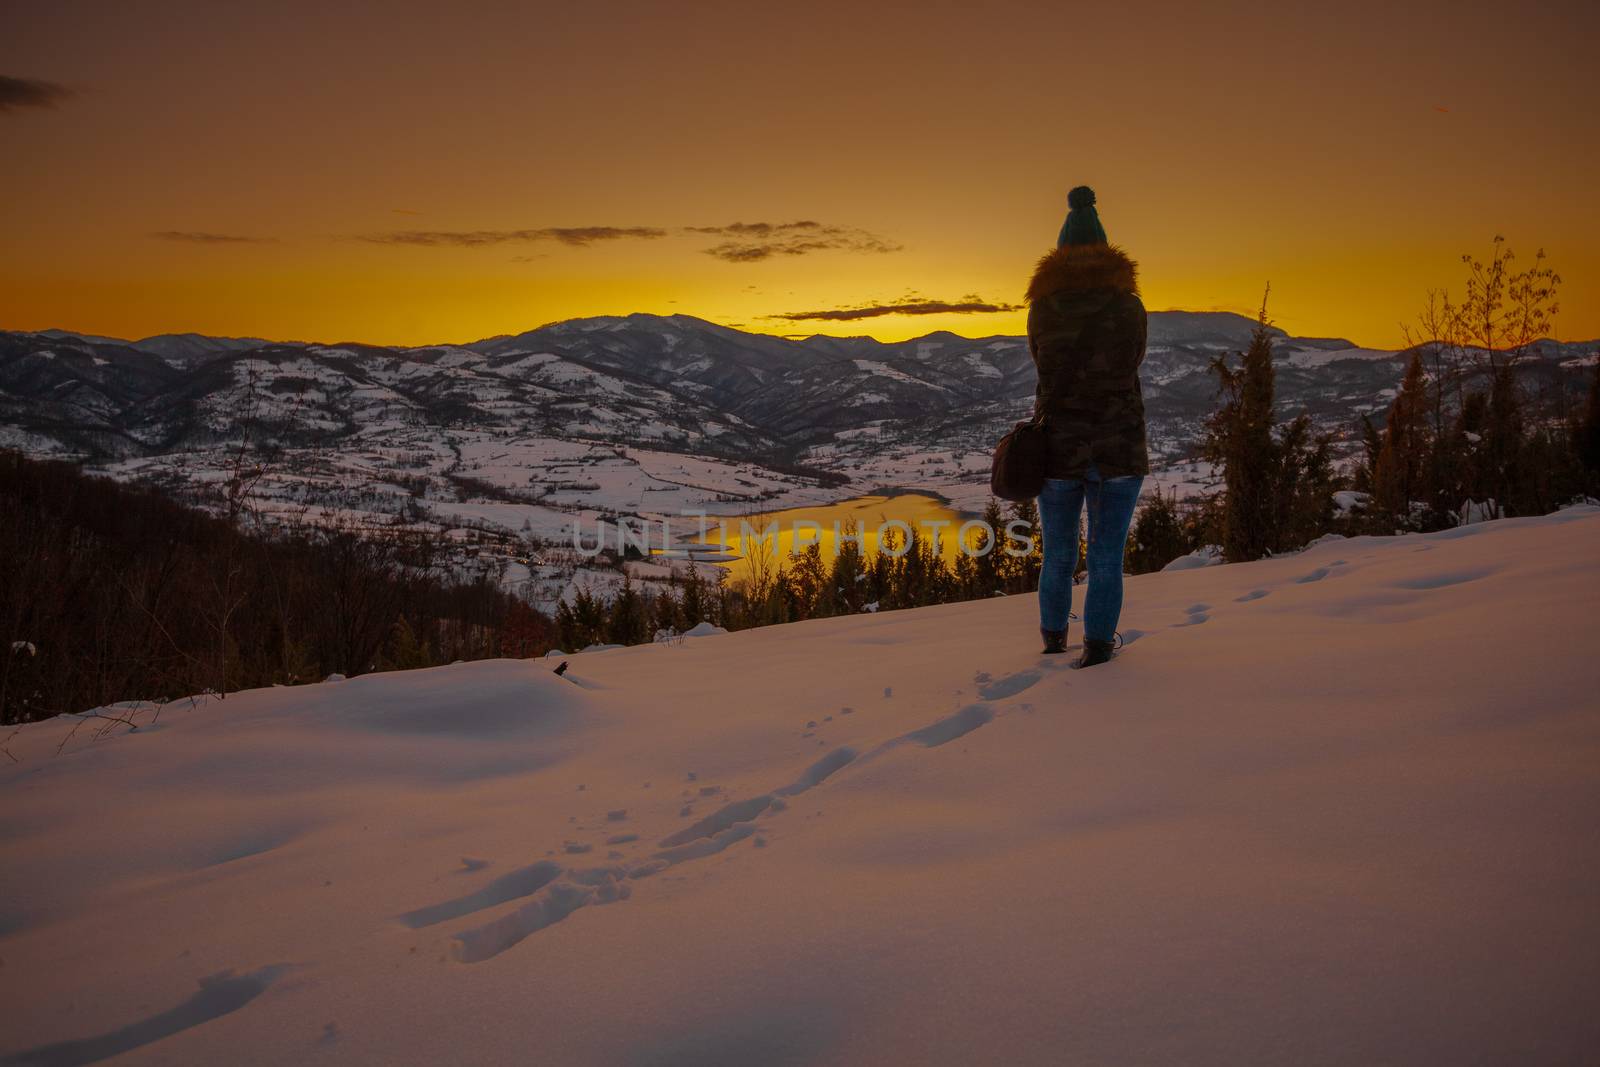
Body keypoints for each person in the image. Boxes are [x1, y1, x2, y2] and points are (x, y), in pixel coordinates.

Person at [1028, 186, 1149, 668]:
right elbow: (1131, 364)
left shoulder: (1042, 310)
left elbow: (1042, 366)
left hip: (1058, 447)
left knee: (1057, 555)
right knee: (1106, 558)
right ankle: (1098, 647)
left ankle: (1054, 640)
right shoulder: (1128, 307)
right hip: (1119, 445)